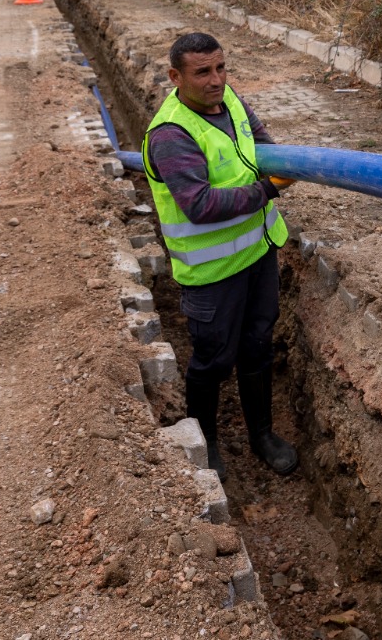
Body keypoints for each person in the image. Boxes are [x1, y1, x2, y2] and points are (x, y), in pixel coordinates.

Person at [142, 32, 299, 478]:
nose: (217, 80)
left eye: (221, 68)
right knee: (212, 358)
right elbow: (200, 205)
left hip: (259, 252)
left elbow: (261, 141)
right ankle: (206, 443)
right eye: (203, 72)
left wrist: (281, 163)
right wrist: (270, 188)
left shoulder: (228, 98)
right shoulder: (171, 134)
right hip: (211, 272)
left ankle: (262, 435)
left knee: (257, 345)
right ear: (176, 76)